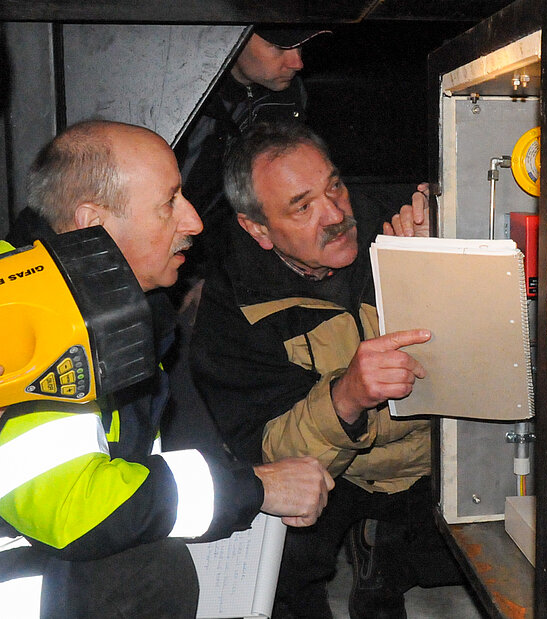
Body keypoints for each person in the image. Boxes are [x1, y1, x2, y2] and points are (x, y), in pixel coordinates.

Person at [0, 119, 335, 618]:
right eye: (169, 203)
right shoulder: (24, 318)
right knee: (150, 571)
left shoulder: (104, 306)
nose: (194, 221)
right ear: (93, 224)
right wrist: (255, 488)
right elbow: (74, 509)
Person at [189, 121, 460, 619]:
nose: (336, 214)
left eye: (334, 185)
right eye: (303, 206)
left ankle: (383, 554)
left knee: (484, 557)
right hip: (340, 473)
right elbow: (269, 454)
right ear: (257, 229)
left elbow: (503, 347)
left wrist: (440, 259)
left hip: (438, 456)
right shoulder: (237, 306)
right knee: (276, 567)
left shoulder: (403, 222)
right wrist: (345, 399)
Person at [174, 26, 329, 277]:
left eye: (300, 47)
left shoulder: (290, 98)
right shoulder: (183, 93)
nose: (297, 62)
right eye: (279, 48)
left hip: (222, 256)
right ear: (236, 39)